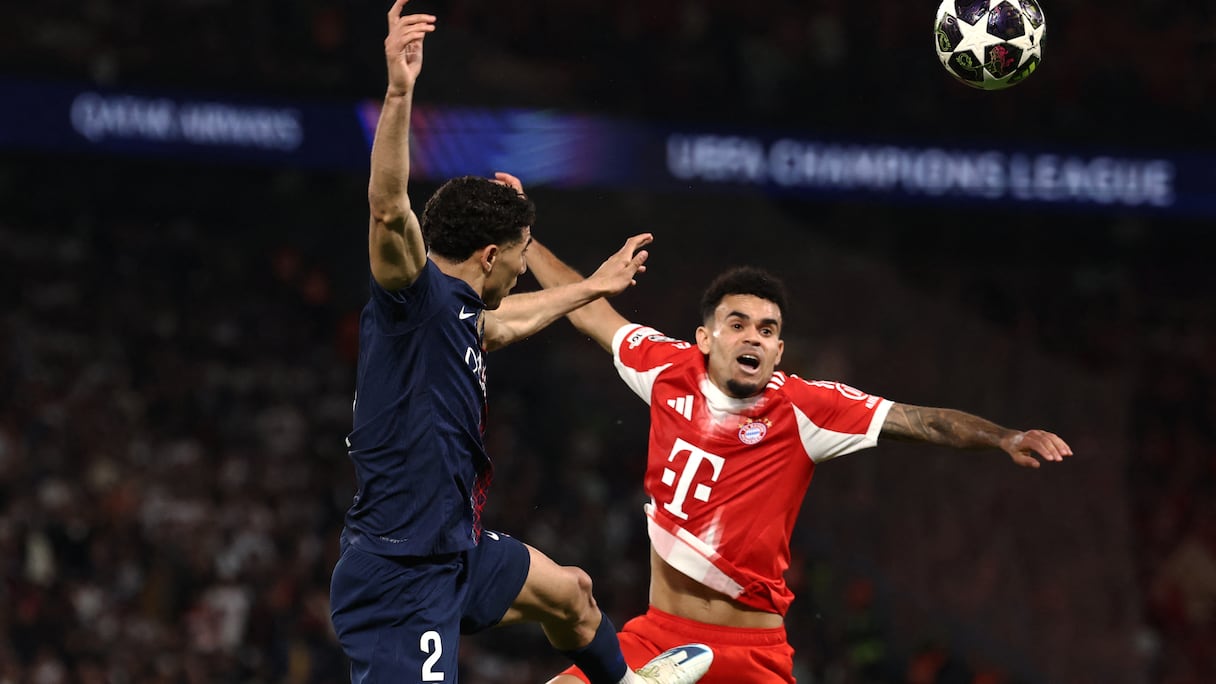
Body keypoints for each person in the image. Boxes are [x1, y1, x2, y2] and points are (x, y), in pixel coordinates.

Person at [327, 2, 712, 683]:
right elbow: (388, 209)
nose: (521, 264)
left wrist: (592, 288)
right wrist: (399, 91)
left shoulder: (462, 317)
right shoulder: (412, 300)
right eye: (520, 252)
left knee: (573, 595)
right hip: (399, 576)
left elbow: (507, 322)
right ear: (488, 256)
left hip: (456, 552)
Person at [525, 254, 1074, 684]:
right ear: (705, 338)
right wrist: (525, 243)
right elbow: (590, 309)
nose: (753, 337)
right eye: (738, 324)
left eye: (767, 330)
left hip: (750, 656)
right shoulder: (666, 368)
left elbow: (920, 421)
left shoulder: (806, 408)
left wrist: (1004, 437)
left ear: (779, 349)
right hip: (657, 637)